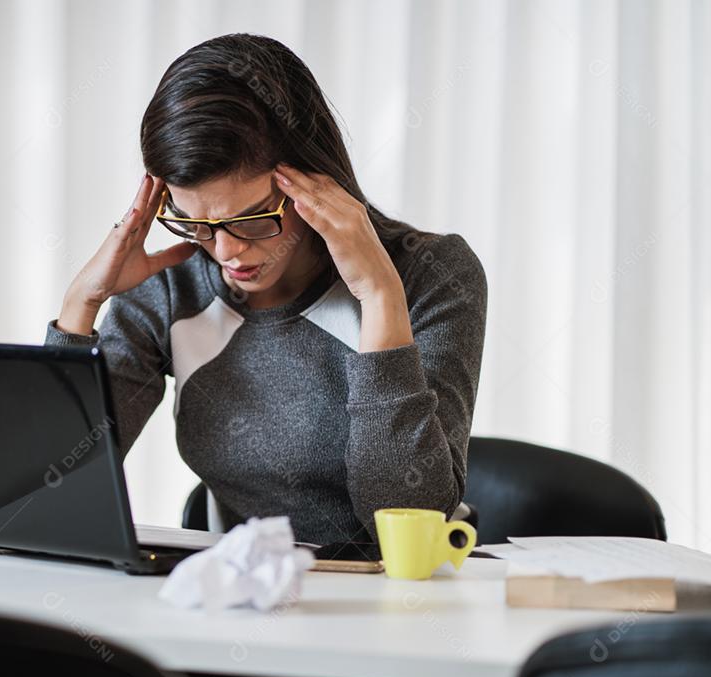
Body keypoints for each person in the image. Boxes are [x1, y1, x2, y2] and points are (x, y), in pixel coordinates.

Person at [44, 33, 487, 545]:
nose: (227, 251)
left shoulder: (433, 273)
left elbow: (412, 522)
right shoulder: (171, 281)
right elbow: (47, 493)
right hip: (242, 599)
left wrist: (380, 295)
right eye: (195, 223)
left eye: (252, 219)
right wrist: (81, 306)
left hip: (389, 606)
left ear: (315, 178)